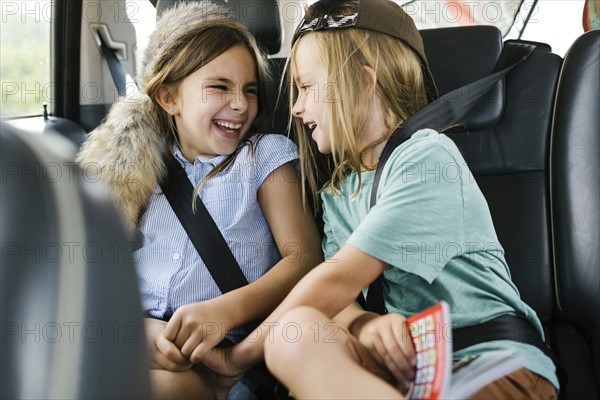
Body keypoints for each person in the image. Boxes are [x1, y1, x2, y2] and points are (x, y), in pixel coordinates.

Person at [167, 1, 559, 399]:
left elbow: (336, 281)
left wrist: (240, 358)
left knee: (295, 327)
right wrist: (364, 326)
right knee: (297, 333)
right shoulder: (339, 194)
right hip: (405, 374)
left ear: (362, 82)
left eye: (306, 88)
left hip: (488, 363)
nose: (296, 108)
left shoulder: (426, 158)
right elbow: (341, 305)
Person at [76, 2, 322, 399]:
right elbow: (104, 272)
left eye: (250, 90)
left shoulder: (263, 156)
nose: (241, 104)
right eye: (220, 87)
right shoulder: (140, 171)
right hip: (151, 340)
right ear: (169, 97)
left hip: (230, 351)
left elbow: (305, 258)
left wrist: (225, 312)